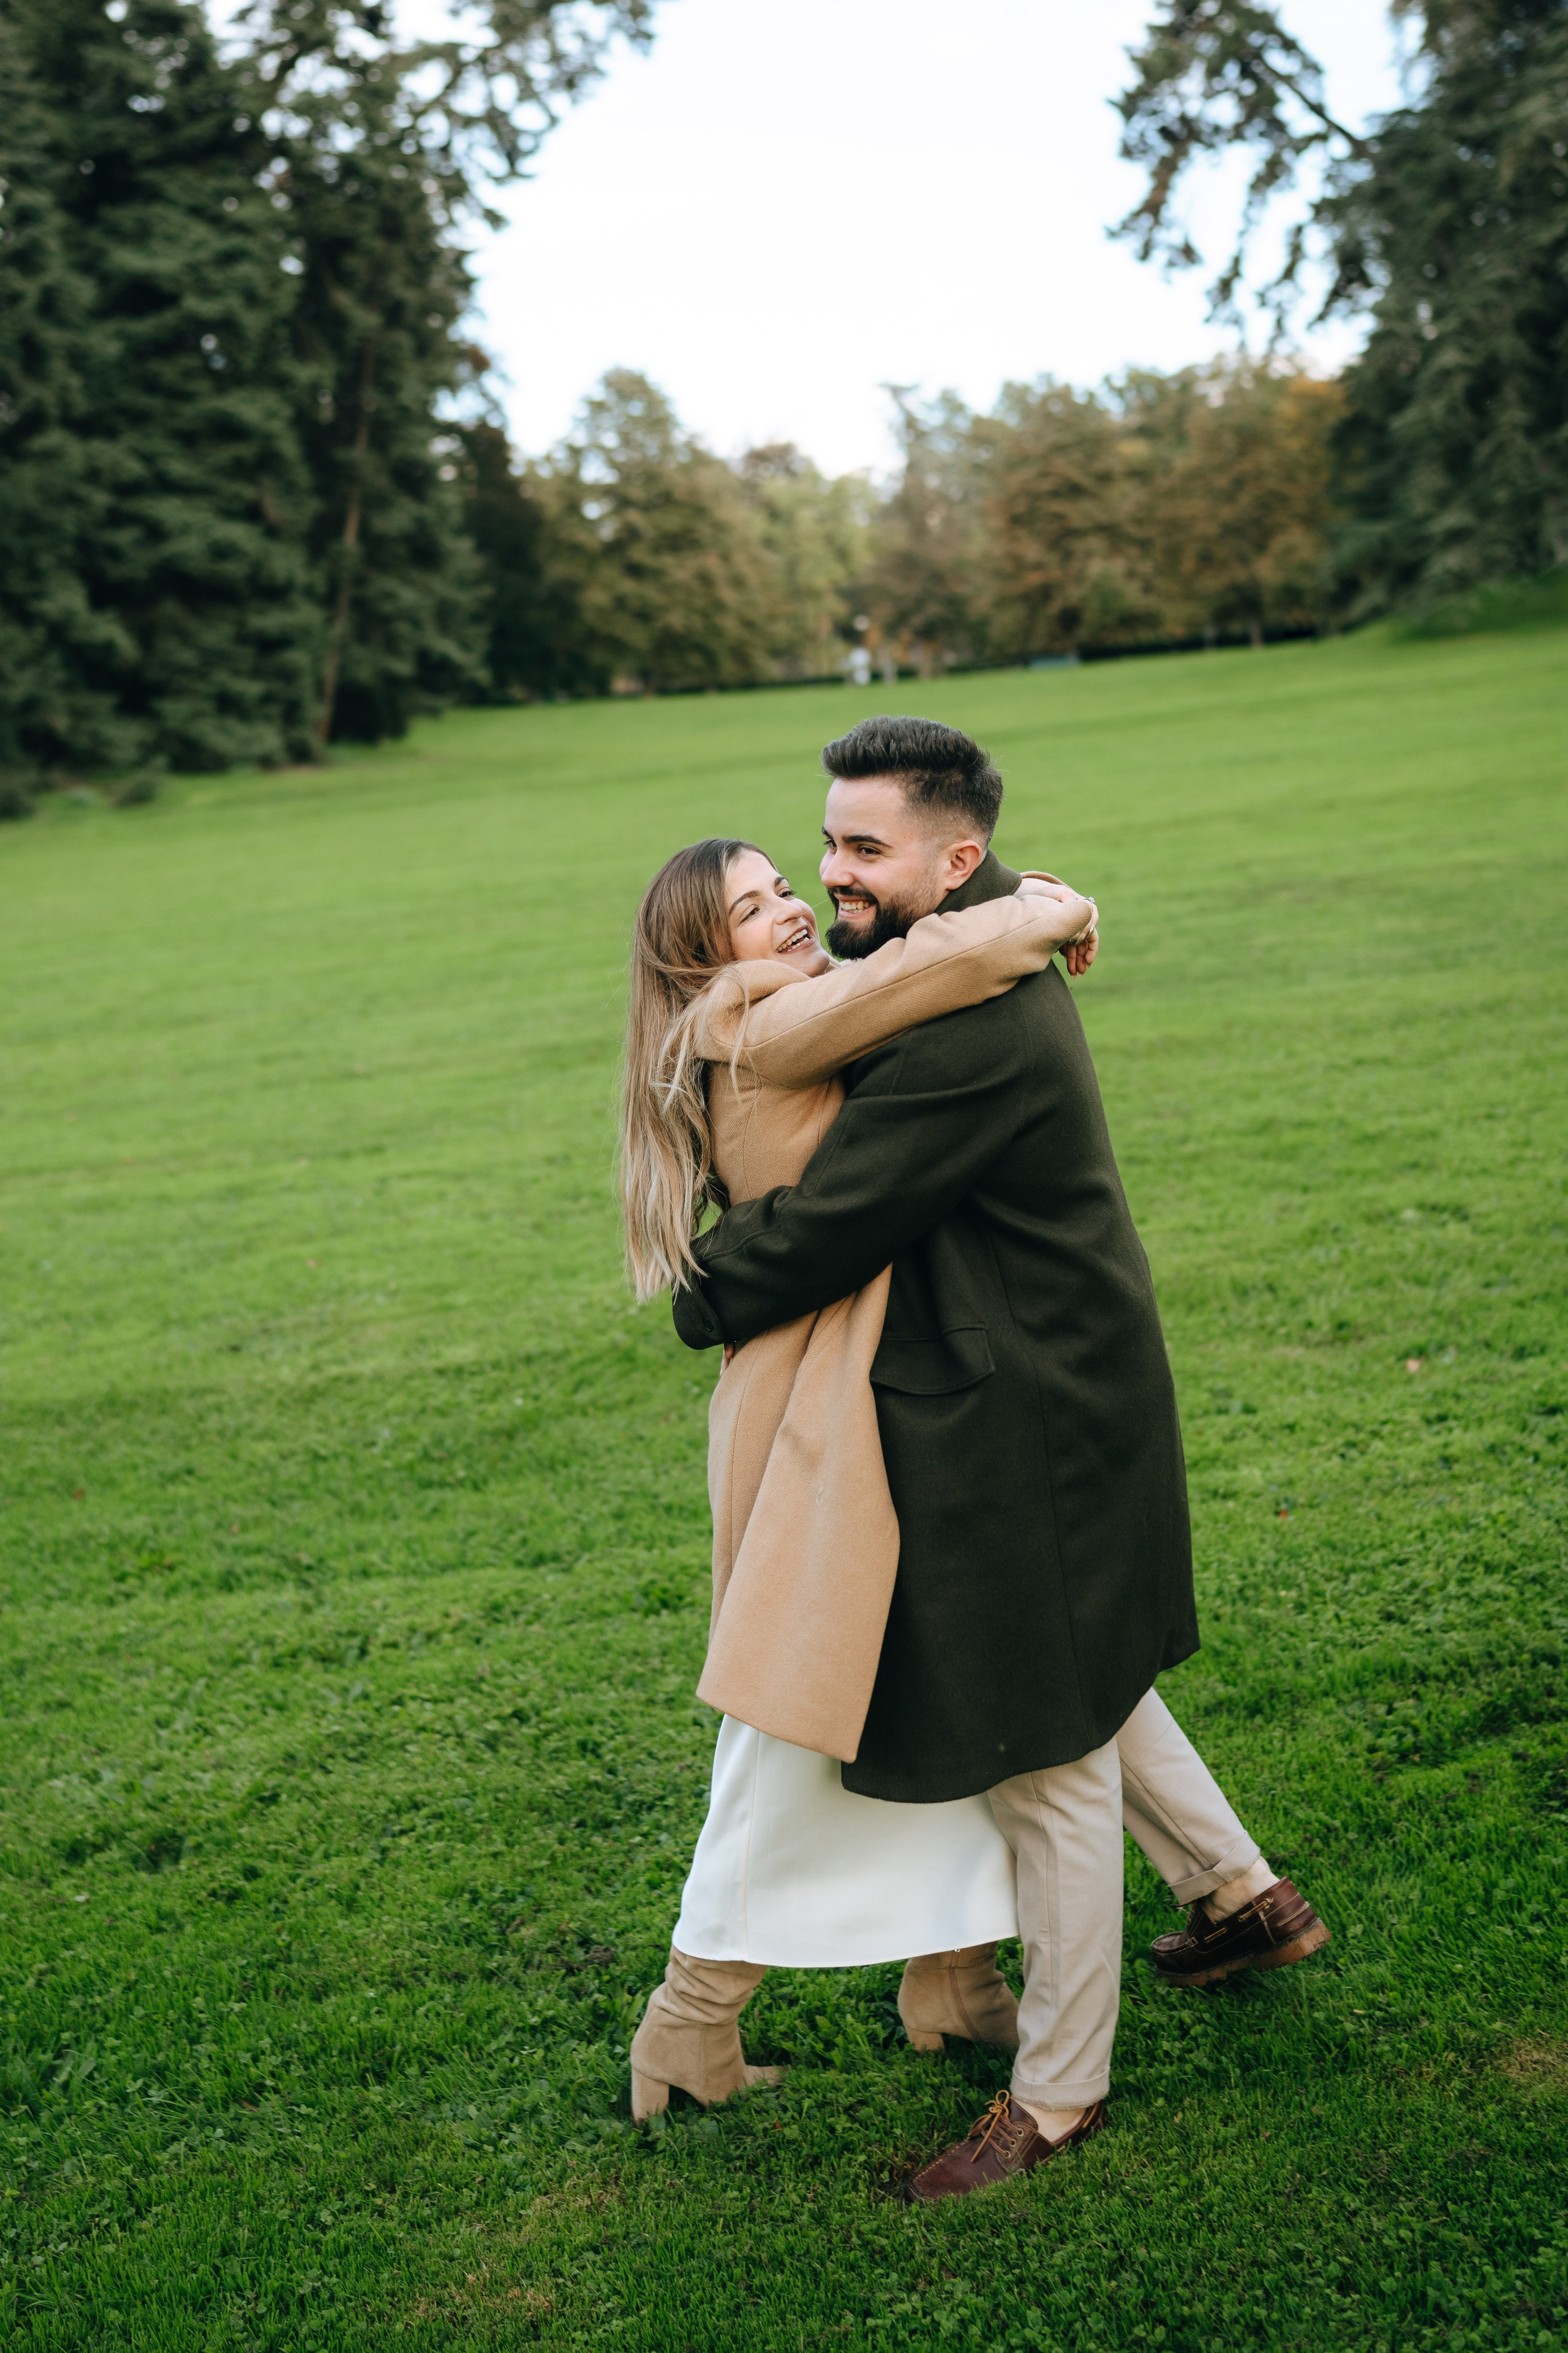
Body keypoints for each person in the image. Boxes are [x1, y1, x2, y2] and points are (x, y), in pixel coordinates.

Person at [650, 717, 1329, 2202]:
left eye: (862, 850)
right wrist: (1053, 904)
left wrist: (702, 1292)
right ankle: (1240, 1898)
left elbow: (839, 1214)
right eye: (826, 841)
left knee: (1048, 1757)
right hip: (1032, 1372)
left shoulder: (970, 1016)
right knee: (1083, 1668)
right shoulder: (966, 944)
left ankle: (1056, 2097)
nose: (833, 873)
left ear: (953, 861)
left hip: (1027, 1403)